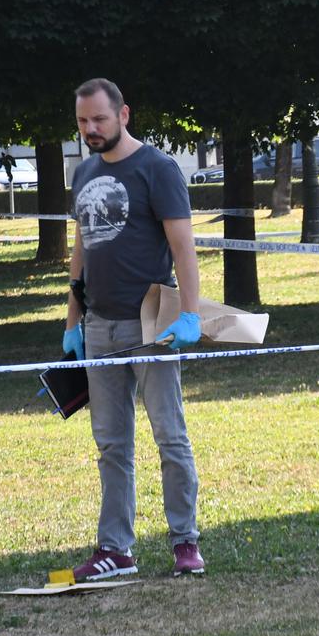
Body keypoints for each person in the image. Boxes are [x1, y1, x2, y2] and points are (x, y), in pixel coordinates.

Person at [65, 77, 206, 580]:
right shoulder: (82, 172)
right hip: (99, 326)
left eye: (99, 119)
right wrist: (73, 320)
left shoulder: (158, 168)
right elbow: (82, 246)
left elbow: (184, 247)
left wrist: (189, 314)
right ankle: (116, 550)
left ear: (124, 115)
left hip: (153, 323)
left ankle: (185, 542)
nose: (91, 129)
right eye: (83, 121)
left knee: (169, 435)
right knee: (111, 444)